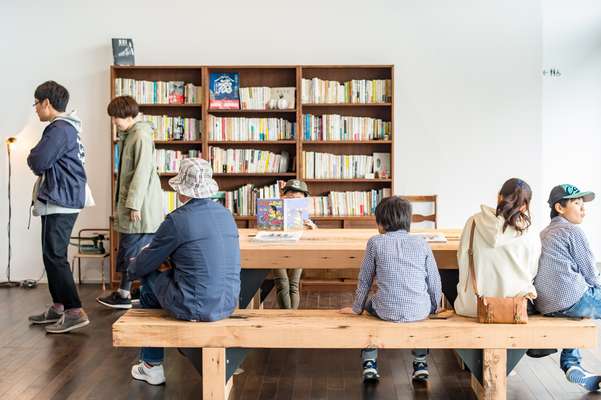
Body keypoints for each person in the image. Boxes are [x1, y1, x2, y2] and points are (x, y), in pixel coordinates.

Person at [126, 158, 240, 385]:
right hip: (228, 303)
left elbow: (142, 265)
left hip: (196, 307)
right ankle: (172, 347)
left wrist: (133, 265)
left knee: (148, 278)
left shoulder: (177, 220)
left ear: (181, 190)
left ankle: (152, 364)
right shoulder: (226, 214)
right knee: (163, 275)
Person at [340, 196, 442, 383]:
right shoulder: (421, 243)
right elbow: (434, 280)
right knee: (420, 312)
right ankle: (420, 363)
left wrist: (356, 309)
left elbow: (365, 280)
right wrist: (434, 307)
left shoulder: (375, 243)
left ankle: (369, 362)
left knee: (368, 311)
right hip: (420, 310)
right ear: (408, 221)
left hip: (385, 310)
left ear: (381, 224)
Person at [453, 178, 540, 384]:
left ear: (499, 197)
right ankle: (502, 366)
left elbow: (462, 260)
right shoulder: (530, 232)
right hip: (511, 310)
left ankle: (475, 362)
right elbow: (532, 271)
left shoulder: (474, 221)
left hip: (473, 306)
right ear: (525, 205)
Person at [27, 81, 90, 334]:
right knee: (50, 255)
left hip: (61, 199)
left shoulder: (60, 129)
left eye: (36, 103)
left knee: (55, 256)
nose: (35, 109)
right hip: (61, 197)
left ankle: (75, 311)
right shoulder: (66, 128)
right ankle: (59, 306)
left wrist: (31, 156)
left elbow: (38, 159)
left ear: (46, 103)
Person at [97, 96, 163, 309]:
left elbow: (142, 172)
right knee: (134, 247)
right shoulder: (132, 135)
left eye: (115, 116)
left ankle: (124, 295)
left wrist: (134, 204)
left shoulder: (140, 136)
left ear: (127, 115)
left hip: (140, 206)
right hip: (137, 205)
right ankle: (131, 292)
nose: (114, 121)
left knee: (131, 247)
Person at [534, 184, 601, 391]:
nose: (583, 209)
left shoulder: (544, 233)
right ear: (560, 208)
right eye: (577, 203)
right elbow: (590, 271)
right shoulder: (573, 231)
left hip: (545, 303)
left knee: (579, 309)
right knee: (586, 298)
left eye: (583, 204)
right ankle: (570, 361)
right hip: (571, 298)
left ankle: (572, 364)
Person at [272, 179, 316, 309]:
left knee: (293, 284)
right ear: (283, 197)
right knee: (282, 283)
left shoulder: (305, 217)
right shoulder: (274, 209)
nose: (294, 202)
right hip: (277, 249)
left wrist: (312, 228)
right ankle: (286, 315)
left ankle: (292, 315)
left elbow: (315, 236)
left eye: (298, 199)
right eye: (290, 198)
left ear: (304, 200)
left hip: (298, 249)